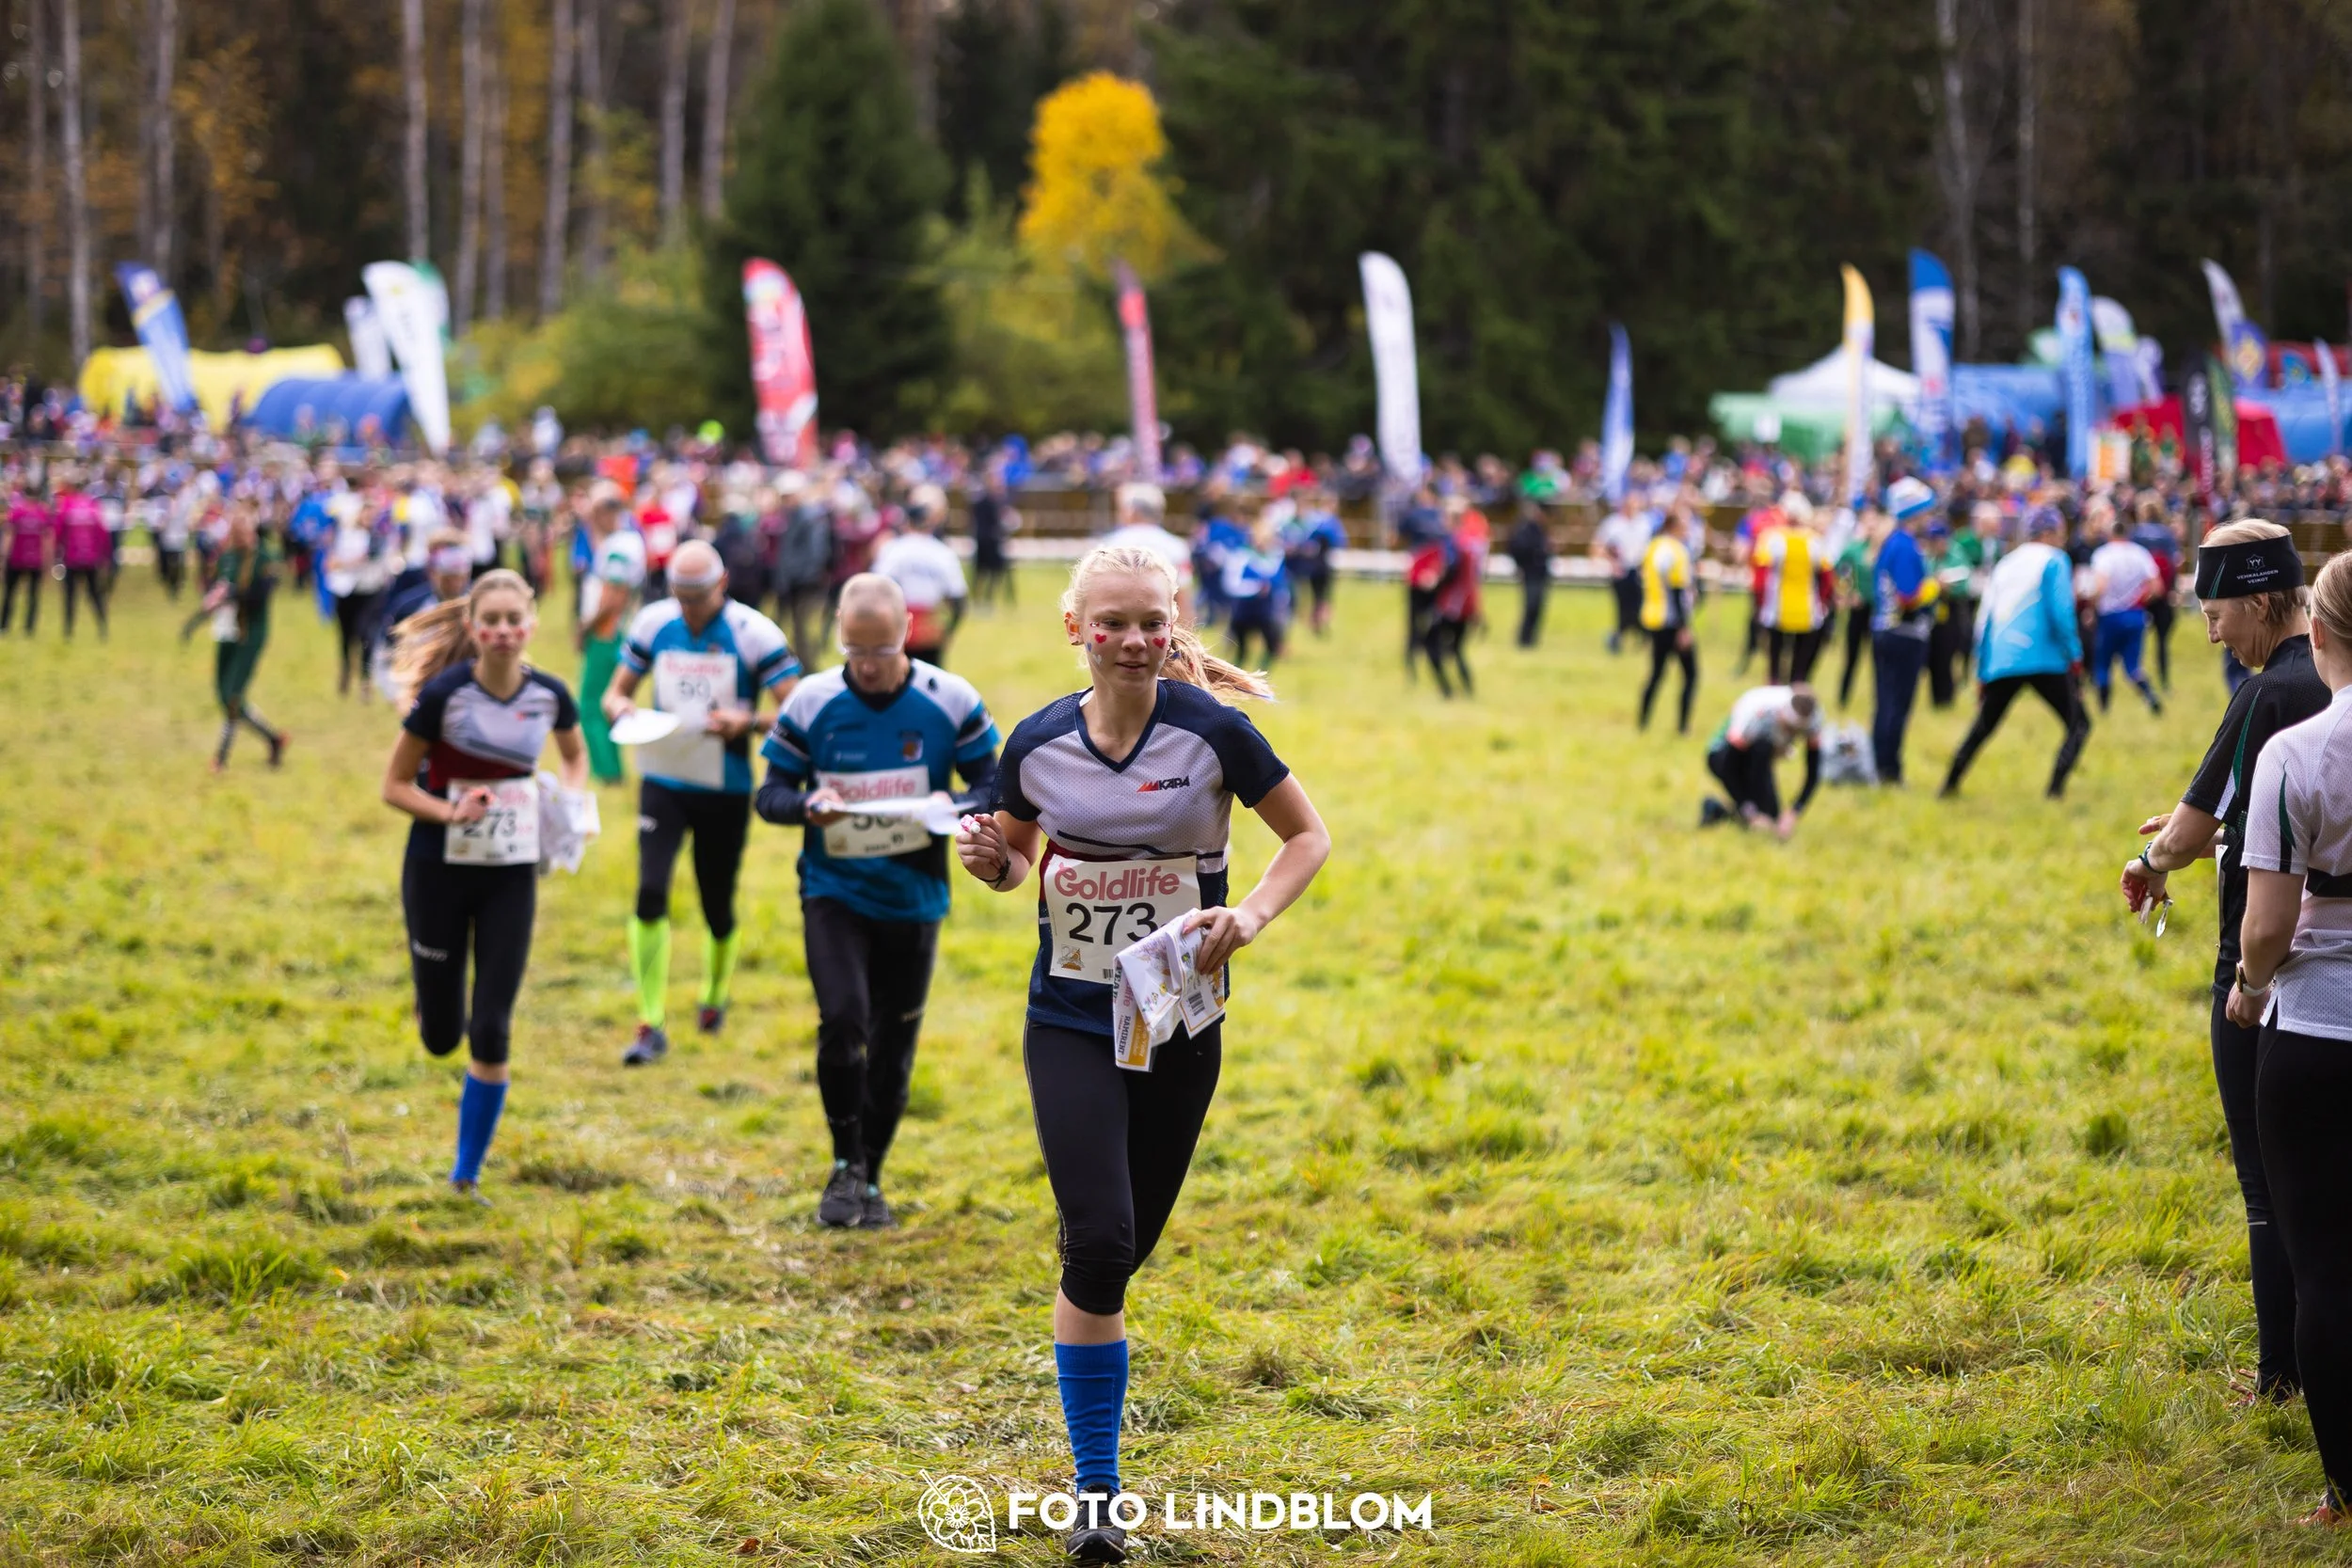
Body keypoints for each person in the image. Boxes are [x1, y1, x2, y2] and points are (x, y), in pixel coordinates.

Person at [955, 543, 1330, 1564]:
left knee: (1123, 1248)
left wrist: (1247, 914)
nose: (1131, 639)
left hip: (1179, 1020)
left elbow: (1307, 838)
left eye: (1149, 621)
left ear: (1173, 624)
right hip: (1071, 1017)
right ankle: (1097, 1491)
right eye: (1109, 621)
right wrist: (994, 860)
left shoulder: (1213, 732)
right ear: (1074, 629)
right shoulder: (1034, 742)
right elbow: (1019, 857)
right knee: (1104, 1242)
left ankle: (1089, 1314)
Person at [2121, 518, 2328, 1410]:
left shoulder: (2262, 694)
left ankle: (2282, 1376)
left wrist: (2156, 858)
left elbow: (2195, 821)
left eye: (2213, 612)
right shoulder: (2328, 679)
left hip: (2261, 960)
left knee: (2267, 1186)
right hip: (2330, 953)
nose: (2208, 631)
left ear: (2257, 599)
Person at [754, 574, 1001, 1228]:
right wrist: (808, 804)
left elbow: (996, 781)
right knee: (842, 1020)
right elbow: (770, 793)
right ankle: (843, 1162)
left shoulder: (948, 699)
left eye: (880, 652)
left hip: (915, 898)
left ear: (905, 636)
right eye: (854, 653)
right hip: (835, 890)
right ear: (840, 638)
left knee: (894, 1044)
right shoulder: (811, 701)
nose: (866, 666)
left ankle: (871, 1176)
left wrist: (962, 803)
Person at [379, 569, 589, 1204]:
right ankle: (430, 996)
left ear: (530, 625)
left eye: (513, 620)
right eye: (490, 620)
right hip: (436, 869)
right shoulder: (445, 695)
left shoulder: (550, 694)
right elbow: (393, 784)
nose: (502, 631)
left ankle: (465, 1175)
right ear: (473, 628)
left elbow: (576, 755)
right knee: (442, 1034)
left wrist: (569, 803)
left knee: (492, 1027)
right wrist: (450, 812)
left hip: (510, 875)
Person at [2233, 548, 2352, 1525]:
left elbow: (2267, 924)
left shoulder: (2294, 751)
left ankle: (2343, 1487)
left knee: (2324, 1266)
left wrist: (2244, 987)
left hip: (2315, 1029)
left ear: (2315, 636)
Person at [603, 539, 801, 1065]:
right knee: (650, 891)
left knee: (717, 902)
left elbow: (798, 714)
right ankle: (650, 1021)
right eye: (680, 596)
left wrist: (747, 721)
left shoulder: (755, 633)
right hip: (663, 778)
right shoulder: (652, 623)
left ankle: (714, 995)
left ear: (721, 586)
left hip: (724, 786)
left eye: (699, 596)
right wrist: (621, 708)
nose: (688, 608)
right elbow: (614, 693)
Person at [1940, 505, 2090, 799]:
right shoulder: (2055, 560)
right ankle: (2054, 790)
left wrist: (1982, 669)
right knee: (2079, 723)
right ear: (2049, 533)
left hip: (2002, 658)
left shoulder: (2004, 563)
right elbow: (2062, 614)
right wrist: (2075, 657)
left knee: (1984, 726)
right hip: (2044, 658)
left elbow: (1984, 620)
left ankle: (1949, 784)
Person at [202, 503, 289, 772]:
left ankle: (221, 758)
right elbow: (214, 582)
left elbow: (260, 596)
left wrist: (230, 596)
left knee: (233, 697)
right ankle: (273, 738)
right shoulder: (227, 557)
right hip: (226, 631)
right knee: (222, 692)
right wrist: (213, 596)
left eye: (244, 525)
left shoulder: (265, 557)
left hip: (250, 633)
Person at [1869, 479, 1941, 785]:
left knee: (1885, 702)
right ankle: (1889, 770)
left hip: (1886, 631)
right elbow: (1908, 596)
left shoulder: (1891, 542)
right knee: (1897, 705)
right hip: (1904, 633)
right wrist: (1937, 586)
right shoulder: (1905, 546)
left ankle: (1878, 764)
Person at [578, 491, 648, 787]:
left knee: (593, 702)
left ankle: (608, 770)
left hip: (607, 632)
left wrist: (587, 627)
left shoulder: (620, 546)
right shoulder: (625, 541)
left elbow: (614, 596)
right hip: (614, 630)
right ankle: (609, 767)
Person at [1699, 682, 1824, 840]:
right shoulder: (1759, 713)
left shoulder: (1815, 719)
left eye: (1797, 731)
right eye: (1789, 728)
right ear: (1782, 714)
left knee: (1771, 818)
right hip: (1723, 754)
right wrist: (1750, 812)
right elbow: (1728, 769)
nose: (1792, 734)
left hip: (1760, 759)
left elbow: (1813, 772)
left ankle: (1719, 810)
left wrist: (1794, 812)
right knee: (1757, 813)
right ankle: (1719, 808)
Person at [872, 486, 968, 665]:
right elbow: (958, 599)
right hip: (929, 628)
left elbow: (876, 589)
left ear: (907, 523)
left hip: (897, 626)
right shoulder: (942, 553)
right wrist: (949, 631)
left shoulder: (893, 549)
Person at [2087, 507, 2165, 715]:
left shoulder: (2104, 555)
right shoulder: (2140, 553)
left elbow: (2100, 585)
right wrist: (2138, 600)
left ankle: (2103, 710)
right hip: (2135, 614)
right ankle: (2150, 697)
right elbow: (2157, 587)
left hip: (2109, 615)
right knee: (2133, 666)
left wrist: (2091, 606)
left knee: (2103, 664)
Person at [324, 493, 394, 697]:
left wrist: (341, 564)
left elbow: (366, 557)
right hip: (345, 590)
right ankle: (346, 672)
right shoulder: (344, 533)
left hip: (370, 591)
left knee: (366, 634)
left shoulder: (378, 537)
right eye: (366, 513)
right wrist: (335, 563)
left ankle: (365, 679)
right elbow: (331, 556)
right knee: (345, 635)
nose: (369, 518)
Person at [1755, 499, 1829, 684]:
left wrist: (1760, 603)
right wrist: (1823, 601)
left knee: (1774, 665)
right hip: (1807, 610)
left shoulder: (1772, 539)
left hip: (1776, 609)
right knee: (1799, 668)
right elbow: (1827, 577)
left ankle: (1775, 694)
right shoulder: (1815, 541)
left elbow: (1760, 576)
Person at [1636, 513, 1697, 734]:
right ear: (1673, 526)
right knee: (1691, 675)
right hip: (1671, 621)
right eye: (1685, 525)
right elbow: (1677, 590)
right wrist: (1684, 627)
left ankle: (1642, 722)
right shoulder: (1676, 551)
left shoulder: (1652, 547)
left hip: (1653, 618)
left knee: (1656, 673)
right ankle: (1683, 727)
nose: (1688, 530)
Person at [1423, 499, 1486, 699]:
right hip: (1467, 604)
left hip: (1452, 604)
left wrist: (1434, 580)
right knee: (1456, 649)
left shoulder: (1453, 541)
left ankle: (1446, 689)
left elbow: (1451, 568)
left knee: (1430, 643)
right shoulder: (1471, 542)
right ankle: (1467, 689)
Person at [1223, 512, 1292, 670]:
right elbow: (1231, 584)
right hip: (1243, 609)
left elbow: (1281, 584)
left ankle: (1264, 673)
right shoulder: (1241, 556)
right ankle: (1237, 675)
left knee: (1271, 645)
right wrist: (1254, 588)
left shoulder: (1276, 557)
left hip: (1267, 611)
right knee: (1241, 648)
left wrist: (1283, 602)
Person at [1281, 487, 1348, 638]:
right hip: (1306, 566)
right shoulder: (1317, 522)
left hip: (1318, 564)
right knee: (1309, 596)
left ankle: (1317, 622)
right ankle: (1312, 621)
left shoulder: (1318, 521)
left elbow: (1339, 542)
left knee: (1320, 596)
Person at [1833, 506, 1880, 710]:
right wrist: (1848, 593)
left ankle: (1878, 701)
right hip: (1859, 609)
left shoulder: (1883, 548)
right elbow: (1840, 572)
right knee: (1851, 655)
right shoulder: (1854, 548)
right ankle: (1843, 698)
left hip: (1878, 610)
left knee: (1878, 659)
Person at [1591, 490, 1647, 654]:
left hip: (1638, 570)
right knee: (1622, 607)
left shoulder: (1643, 523)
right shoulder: (1613, 523)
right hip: (1620, 570)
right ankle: (1618, 637)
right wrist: (1611, 561)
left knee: (1639, 606)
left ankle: (1638, 635)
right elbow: (1598, 546)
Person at [54, 473, 109, 640]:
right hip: (91, 559)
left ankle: (68, 631)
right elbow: (102, 533)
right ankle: (102, 628)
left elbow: (58, 531)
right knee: (95, 595)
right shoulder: (93, 505)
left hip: (72, 558)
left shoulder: (67, 505)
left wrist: (57, 553)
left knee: (70, 597)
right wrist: (104, 556)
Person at [3, 480, 47, 633]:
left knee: (10, 594)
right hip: (35, 560)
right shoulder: (42, 512)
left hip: (16, 558)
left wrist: (4, 557)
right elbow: (48, 538)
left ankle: (4, 625)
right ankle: (29, 628)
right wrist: (48, 560)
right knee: (32, 596)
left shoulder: (17, 511)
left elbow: (9, 535)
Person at [1506, 499, 1551, 649]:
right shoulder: (1524, 528)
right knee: (1531, 605)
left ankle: (1530, 638)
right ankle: (1524, 638)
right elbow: (1516, 548)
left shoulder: (1540, 528)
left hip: (1540, 573)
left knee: (1538, 607)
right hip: (1530, 572)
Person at [969, 467, 1015, 610]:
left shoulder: (1000, 500)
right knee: (981, 573)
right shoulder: (983, 501)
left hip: (993, 541)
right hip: (985, 541)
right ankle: (978, 599)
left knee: (995, 573)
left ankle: (988, 599)